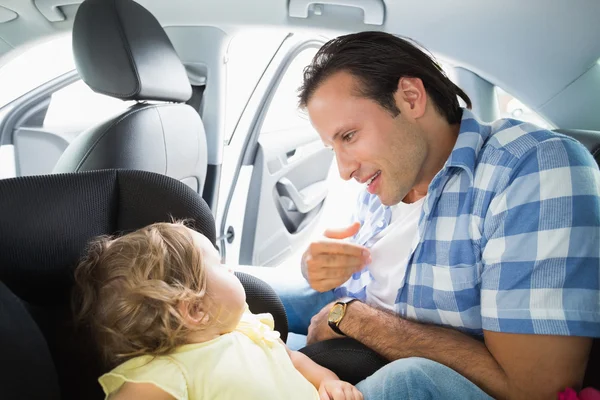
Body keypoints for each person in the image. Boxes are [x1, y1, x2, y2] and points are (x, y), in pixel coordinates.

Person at [250, 31, 600, 400]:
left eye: (349, 136)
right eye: (332, 146)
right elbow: (360, 286)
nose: (343, 170)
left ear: (411, 98)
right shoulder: (389, 179)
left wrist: (352, 319)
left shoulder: (535, 169)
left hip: (405, 374)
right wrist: (319, 269)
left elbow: (534, 388)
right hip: (347, 329)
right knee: (234, 289)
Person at [72, 221, 363, 400]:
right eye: (220, 265)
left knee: (409, 375)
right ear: (195, 309)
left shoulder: (243, 326)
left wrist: (328, 381)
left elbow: (292, 359)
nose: (231, 268)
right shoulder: (169, 373)